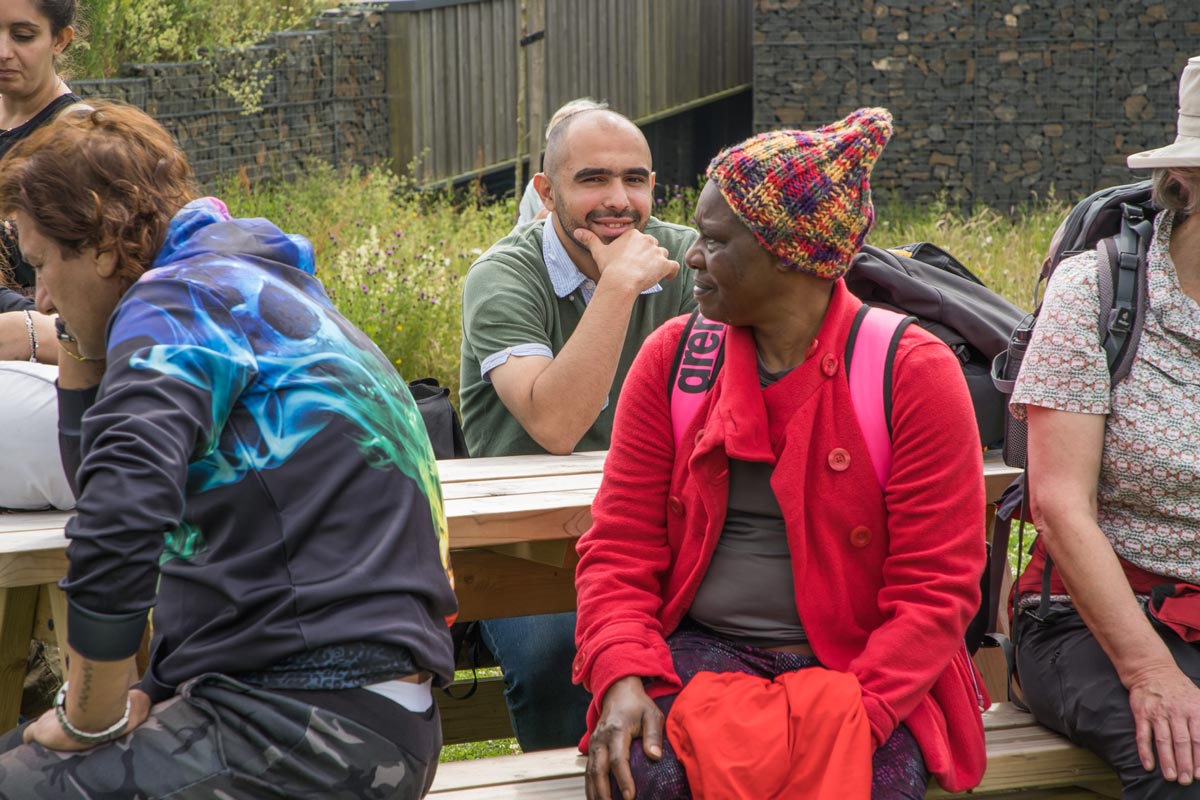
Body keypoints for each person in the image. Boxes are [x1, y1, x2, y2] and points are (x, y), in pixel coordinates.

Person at [0, 101, 458, 799]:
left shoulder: (178, 304)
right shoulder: (241, 283)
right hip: (348, 709)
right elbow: (101, 478)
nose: (41, 296)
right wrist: (74, 338)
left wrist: (92, 715)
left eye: (41, 265)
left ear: (100, 242)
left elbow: (119, 519)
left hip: (314, 727)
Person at [574, 109, 989, 800]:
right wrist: (624, 676)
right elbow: (618, 549)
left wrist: (856, 716)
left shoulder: (911, 372)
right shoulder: (674, 360)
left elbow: (935, 588)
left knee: (874, 786)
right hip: (700, 650)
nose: (692, 259)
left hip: (861, 664)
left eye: (713, 240)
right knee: (640, 779)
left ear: (789, 254)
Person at [459, 107, 698, 751]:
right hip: (526, 549)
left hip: (651, 534)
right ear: (545, 191)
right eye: (593, 179)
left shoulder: (685, 258)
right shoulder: (503, 276)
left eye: (635, 179)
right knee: (555, 659)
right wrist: (618, 286)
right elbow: (557, 423)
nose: (618, 200)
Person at [1010, 55, 1200, 799]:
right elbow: (1059, 507)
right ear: (1186, 178)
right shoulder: (1097, 290)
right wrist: (1151, 674)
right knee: (1185, 767)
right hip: (1103, 622)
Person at [515, 98, 608, 227]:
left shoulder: (618, 182)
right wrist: (537, 225)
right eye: (557, 140)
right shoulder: (538, 187)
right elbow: (519, 238)